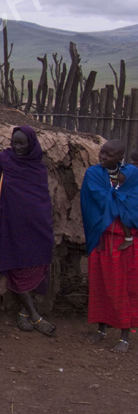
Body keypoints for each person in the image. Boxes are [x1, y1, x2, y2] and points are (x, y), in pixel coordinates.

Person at [0, 126, 56, 335]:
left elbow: (41, 194)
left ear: (31, 144)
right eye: (14, 142)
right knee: (17, 264)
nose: (17, 147)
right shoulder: (5, 160)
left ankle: (24, 312)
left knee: (39, 260)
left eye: (22, 143)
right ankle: (34, 315)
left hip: (38, 222)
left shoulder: (37, 165)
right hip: (13, 223)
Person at [81, 139, 138, 353]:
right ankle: (102, 329)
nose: (103, 157)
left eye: (109, 154)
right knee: (100, 285)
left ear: (120, 158)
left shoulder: (131, 173)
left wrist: (119, 197)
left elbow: (133, 200)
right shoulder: (94, 174)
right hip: (102, 238)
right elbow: (97, 200)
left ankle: (125, 335)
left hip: (125, 243)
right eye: (102, 152)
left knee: (124, 287)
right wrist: (120, 197)